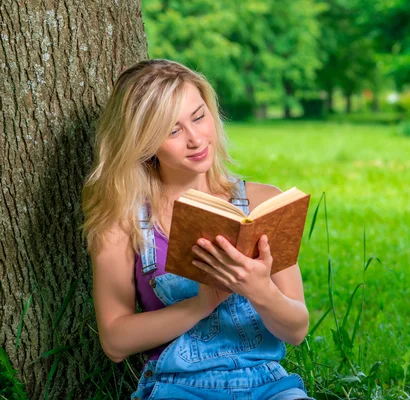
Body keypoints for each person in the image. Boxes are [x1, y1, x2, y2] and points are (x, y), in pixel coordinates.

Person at [82, 59, 312, 400]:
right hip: (176, 387)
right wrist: (203, 302)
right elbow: (115, 341)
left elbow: (296, 329)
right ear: (144, 143)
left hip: (270, 387)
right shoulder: (122, 222)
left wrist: (259, 288)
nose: (195, 139)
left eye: (199, 116)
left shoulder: (265, 201)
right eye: (172, 131)